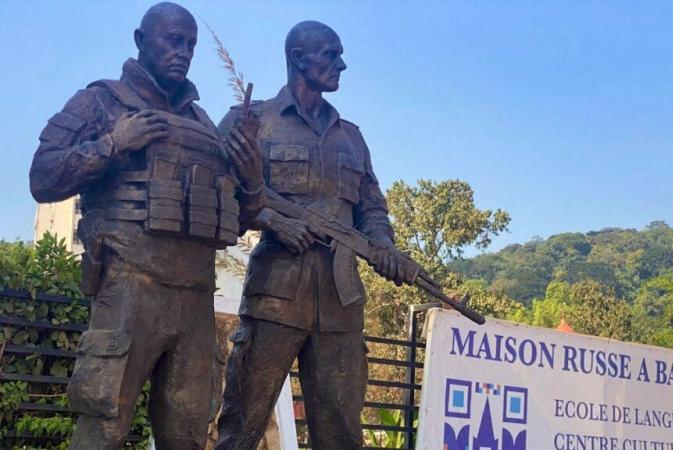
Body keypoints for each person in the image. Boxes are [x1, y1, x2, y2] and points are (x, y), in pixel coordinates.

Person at [28, 3, 264, 449]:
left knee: (188, 434)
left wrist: (252, 184)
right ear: (141, 40)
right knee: (103, 425)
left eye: (190, 44)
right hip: (128, 290)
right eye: (173, 40)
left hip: (194, 301)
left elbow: (234, 222)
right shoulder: (101, 101)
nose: (183, 51)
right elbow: (42, 176)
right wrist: (114, 143)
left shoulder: (205, 127)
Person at [215, 20, 407, 450]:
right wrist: (271, 219)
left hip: (341, 305)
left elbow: (371, 209)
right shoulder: (251, 121)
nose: (342, 64)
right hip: (275, 296)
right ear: (299, 58)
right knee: (241, 426)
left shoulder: (351, 138)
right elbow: (217, 198)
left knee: (341, 434)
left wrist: (385, 247)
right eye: (331, 54)